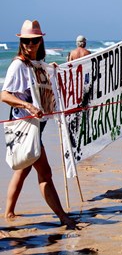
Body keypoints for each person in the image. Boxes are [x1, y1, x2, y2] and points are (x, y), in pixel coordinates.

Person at [1, 20, 76, 229]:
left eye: (33, 41)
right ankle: (63, 217)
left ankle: (8, 213)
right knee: (45, 173)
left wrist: (49, 70)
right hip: (24, 127)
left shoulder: (38, 65)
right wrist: (28, 105)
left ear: (40, 41)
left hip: (37, 126)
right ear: (21, 42)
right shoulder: (18, 65)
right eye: (26, 41)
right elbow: (4, 94)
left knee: (23, 170)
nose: (29, 45)